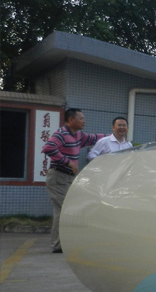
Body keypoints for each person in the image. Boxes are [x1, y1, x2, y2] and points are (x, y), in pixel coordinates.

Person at [42, 108, 107, 253]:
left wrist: (114, 136)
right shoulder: (61, 133)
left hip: (69, 177)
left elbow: (94, 138)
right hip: (58, 176)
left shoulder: (78, 135)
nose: (84, 121)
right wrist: (68, 162)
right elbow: (48, 148)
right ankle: (59, 244)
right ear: (71, 120)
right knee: (65, 209)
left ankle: (59, 244)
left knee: (61, 211)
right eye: (81, 118)